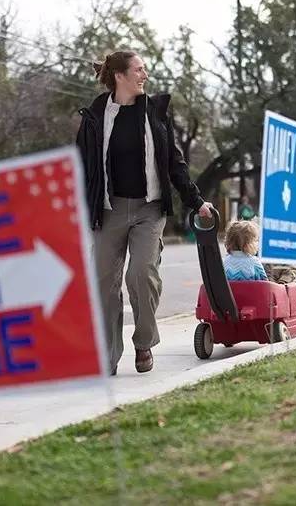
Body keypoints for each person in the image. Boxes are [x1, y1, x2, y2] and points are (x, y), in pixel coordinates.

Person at [76, 51, 213, 375]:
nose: (145, 75)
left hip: (148, 210)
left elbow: (174, 163)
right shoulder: (97, 115)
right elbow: (81, 166)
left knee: (141, 273)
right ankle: (108, 356)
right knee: (103, 282)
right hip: (107, 211)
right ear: (120, 76)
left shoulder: (155, 113)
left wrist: (197, 202)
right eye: (139, 69)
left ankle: (144, 342)